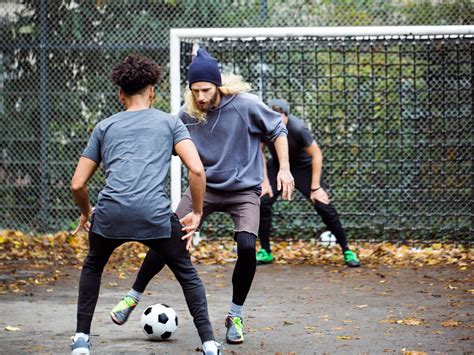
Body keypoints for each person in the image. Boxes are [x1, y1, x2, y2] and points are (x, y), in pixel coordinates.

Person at [109, 48, 295, 345]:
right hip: (203, 189)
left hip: (244, 190)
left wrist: (283, 169)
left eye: (206, 90)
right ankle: (133, 297)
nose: (201, 98)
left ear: (218, 85)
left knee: (247, 246)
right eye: (195, 91)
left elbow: (277, 130)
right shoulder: (188, 113)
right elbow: (162, 140)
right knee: (167, 235)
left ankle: (235, 315)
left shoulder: (245, 105)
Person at [69, 55, 220, 355]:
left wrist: (88, 214)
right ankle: (209, 344)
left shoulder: (104, 127)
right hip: (155, 216)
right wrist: (198, 212)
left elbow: (77, 184)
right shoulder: (170, 123)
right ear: (152, 91)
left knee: (93, 266)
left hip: (110, 214)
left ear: (120, 94)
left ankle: (81, 340)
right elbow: (198, 170)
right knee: (187, 274)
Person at [257, 99, 361, 267]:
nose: (275, 121)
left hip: (303, 168)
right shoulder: (264, 127)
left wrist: (316, 187)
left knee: (323, 204)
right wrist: (265, 181)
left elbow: (317, 154)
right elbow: (259, 152)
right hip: (278, 168)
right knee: (262, 202)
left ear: (286, 116)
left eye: (279, 116)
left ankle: (346, 250)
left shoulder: (298, 129)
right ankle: (265, 251)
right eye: (271, 116)